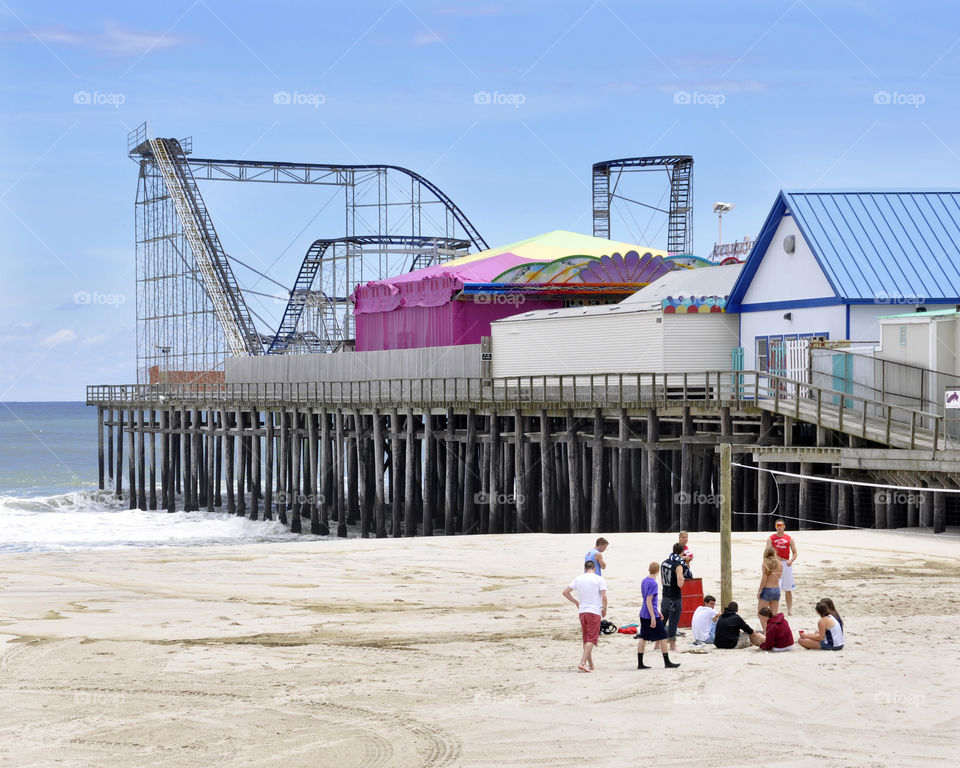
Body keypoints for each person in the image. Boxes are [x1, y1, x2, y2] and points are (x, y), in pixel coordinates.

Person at [562, 560, 608, 672]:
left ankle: (591, 665)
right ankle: (582, 663)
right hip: (594, 611)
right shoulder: (599, 579)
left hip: (582, 611)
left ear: (585, 569)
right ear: (595, 569)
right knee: (591, 639)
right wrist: (605, 609)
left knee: (586, 639)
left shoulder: (579, 579)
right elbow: (604, 597)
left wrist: (576, 602)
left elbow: (565, 592)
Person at [637, 561, 680, 669]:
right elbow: (649, 600)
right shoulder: (653, 583)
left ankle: (640, 663)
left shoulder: (644, 581)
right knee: (663, 636)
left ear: (649, 569)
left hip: (643, 613)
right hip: (649, 614)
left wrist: (657, 612)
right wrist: (653, 616)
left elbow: (646, 599)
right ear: (658, 571)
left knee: (643, 637)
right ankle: (667, 662)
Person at [660, 543, 686, 651]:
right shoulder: (678, 566)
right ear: (682, 552)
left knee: (662, 620)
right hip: (675, 597)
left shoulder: (664, 562)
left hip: (665, 595)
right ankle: (672, 646)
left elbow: (662, 581)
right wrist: (683, 578)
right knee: (673, 622)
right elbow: (680, 583)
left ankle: (657, 643)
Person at [770, 519, 798, 615]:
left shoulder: (789, 539)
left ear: (784, 526)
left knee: (788, 589)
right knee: (774, 588)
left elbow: (795, 553)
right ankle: (774, 611)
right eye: (777, 525)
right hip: (775, 564)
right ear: (775, 526)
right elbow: (767, 552)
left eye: (781, 525)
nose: (779, 527)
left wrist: (791, 560)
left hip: (786, 564)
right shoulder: (771, 538)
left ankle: (789, 611)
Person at [757, 542, 783, 630]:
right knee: (774, 614)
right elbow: (780, 576)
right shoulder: (779, 563)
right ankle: (774, 632)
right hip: (777, 589)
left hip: (767, 589)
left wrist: (760, 591)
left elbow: (764, 579)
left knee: (761, 613)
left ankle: (766, 631)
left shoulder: (765, 563)